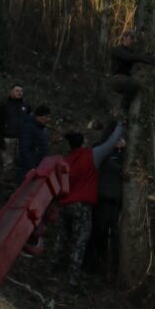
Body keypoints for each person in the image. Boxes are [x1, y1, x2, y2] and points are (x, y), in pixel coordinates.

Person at [52, 122, 125, 290]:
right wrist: (120, 124)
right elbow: (110, 142)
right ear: (83, 143)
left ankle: (54, 265)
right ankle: (72, 280)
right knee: (80, 241)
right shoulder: (91, 156)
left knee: (62, 237)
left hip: (65, 204)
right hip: (82, 206)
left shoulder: (67, 159)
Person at [85, 133, 126, 278]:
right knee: (97, 232)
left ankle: (104, 269)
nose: (121, 141)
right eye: (119, 139)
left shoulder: (124, 156)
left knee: (111, 236)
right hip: (102, 200)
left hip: (115, 202)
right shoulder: (105, 154)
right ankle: (88, 265)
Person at [110, 30, 155, 111]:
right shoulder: (117, 50)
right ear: (124, 37)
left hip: (127, 80)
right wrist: (147, 59)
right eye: (131, 38)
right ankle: (123, 109)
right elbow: (129, 57)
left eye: (134, 39)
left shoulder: (132, 51)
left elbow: (136, 56)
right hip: (117, 78)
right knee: (134, 83)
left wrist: (151, 60)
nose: (132, 41)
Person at [0, 84, 30, 172]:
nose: (19, 93)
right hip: (8, 138)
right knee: (8, 164)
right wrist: (0, 138)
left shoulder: (26, 106)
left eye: (21, 91)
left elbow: (29, 122)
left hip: (22, 139)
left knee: (21, 163)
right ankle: (6, 181)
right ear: (11, 91)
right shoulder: (4, 105)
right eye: (17, 90)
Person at [17, 104, 52, 184]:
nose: (49, 119)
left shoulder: (41, 128)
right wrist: (31, 167)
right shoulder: (28, 128)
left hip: (39, 166)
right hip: (28, 168)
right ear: (39, 116)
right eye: (46, 117)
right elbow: (25, 149)